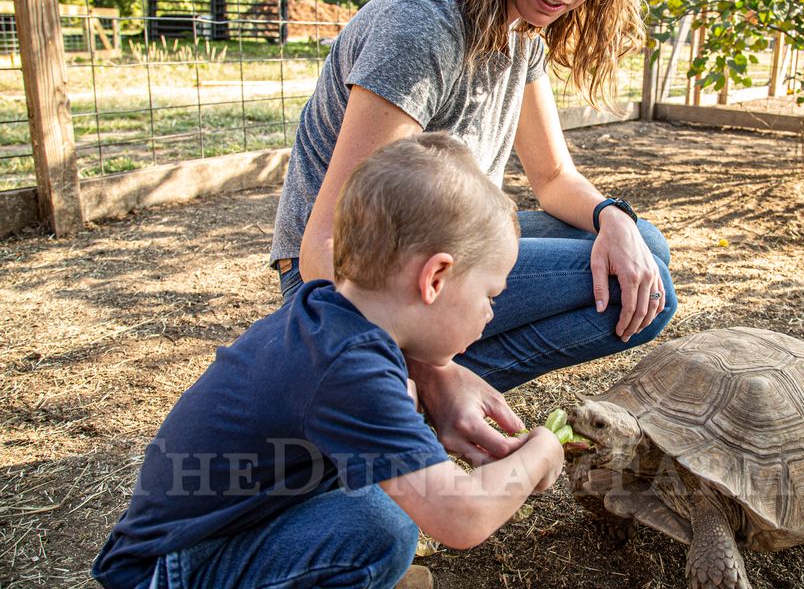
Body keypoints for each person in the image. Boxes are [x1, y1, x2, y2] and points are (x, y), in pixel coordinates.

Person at [269, 0, 677, 469]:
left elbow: (554, 178)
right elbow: (326, 249)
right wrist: (434, 370)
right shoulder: (422, 25)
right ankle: (383, 408)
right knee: (646, 291)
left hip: (440, 256)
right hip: (341, 292)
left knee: (641, 249)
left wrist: (613, 217)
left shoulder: (524, 28)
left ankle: (413, 399)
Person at [92, 133, 565, 589]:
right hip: (172, 570)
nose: (490, 311)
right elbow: (461, 518)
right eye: (490, 293)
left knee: (394, 477)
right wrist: (541, 452)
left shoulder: (328, 315)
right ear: (435, 277)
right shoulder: (349, 368)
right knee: (381, 531)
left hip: (199, 542)